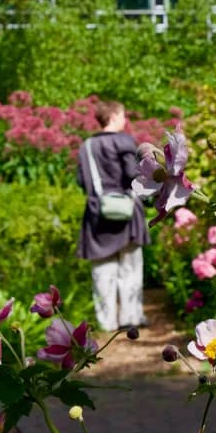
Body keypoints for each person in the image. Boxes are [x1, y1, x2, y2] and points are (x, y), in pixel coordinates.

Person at [76, 100, 150, 331]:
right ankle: (130, 318)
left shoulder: (86, 146)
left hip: (98, 212)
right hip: (127, 211)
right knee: (130, 267)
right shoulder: (124, 140)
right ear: (116, 116)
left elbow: (81, 180)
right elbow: (132, 173)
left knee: (102, 270)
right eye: (123, 115)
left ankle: (106, 322)